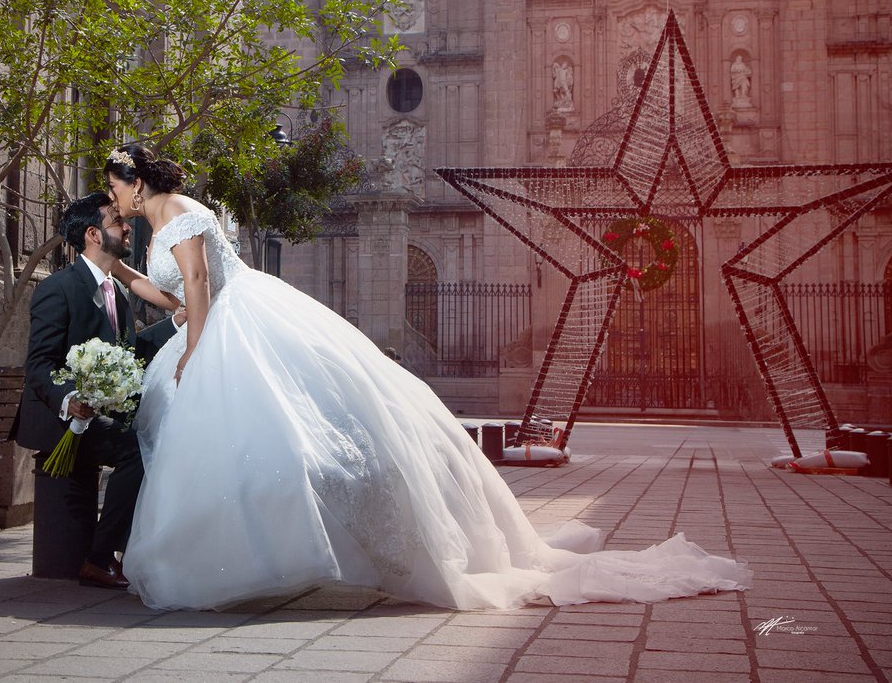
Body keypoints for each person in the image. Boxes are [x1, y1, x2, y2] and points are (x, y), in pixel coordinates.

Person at [103, 144, 752, 610]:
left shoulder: (183, 212)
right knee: (239, 444)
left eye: (115, 186)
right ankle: (251, 552)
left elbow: (199, 285)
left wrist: (192, 350)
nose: (113, 196)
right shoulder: (152, 228)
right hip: (208, 324)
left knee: (277, 428)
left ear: (136, 182)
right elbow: (174, 298)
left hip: (230, 324)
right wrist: (123, 274)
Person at [10, 193, 181, 589]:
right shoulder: (59, 288)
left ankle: (126, 552)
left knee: (159, 441)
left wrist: (175, 324)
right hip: (59, 420)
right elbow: (40, 364)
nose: (126, 228)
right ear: (93, 234)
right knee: (138, 452)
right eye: (117, 221)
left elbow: (128, 355)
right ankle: (100, 559)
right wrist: (70, 400)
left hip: (97, 418)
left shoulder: (117, 294)